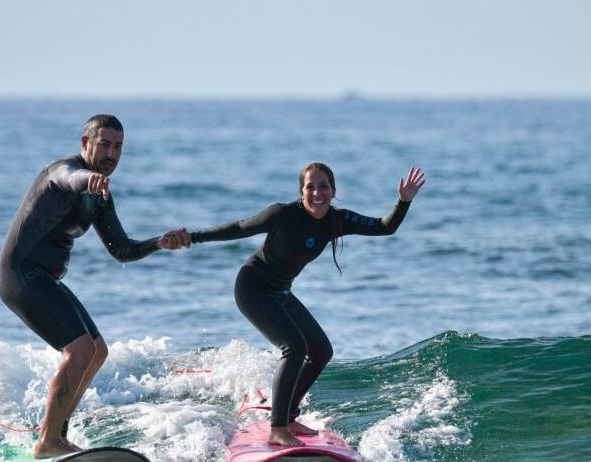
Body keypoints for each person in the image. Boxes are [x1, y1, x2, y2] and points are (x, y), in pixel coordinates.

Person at [182, 163, 425, 446]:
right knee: (295, 347)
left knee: (321, 351)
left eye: (323, 186)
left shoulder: (338, 220)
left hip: (280, 291)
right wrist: (193, 237)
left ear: (333, 191)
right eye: (310, 187)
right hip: (252, 288)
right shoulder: (281, 214)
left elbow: (386, 227)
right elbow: (239, 228)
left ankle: (289, 416)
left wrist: (403, 201)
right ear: (301, 192)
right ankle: (278, 427)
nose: (317, 193)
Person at [0, 114, 188, 458]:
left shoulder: (100, 196)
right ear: (85, 144)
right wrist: (90, 178)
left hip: (45, 278)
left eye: (118, 147)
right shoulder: (61, 172)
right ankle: (47, 442)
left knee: (97, 352)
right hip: (22, 275)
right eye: (104, 145)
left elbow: (121, 249)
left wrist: (159, 243)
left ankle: (54, 433)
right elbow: (72, 179)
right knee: (80, 351)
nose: (111, 154)